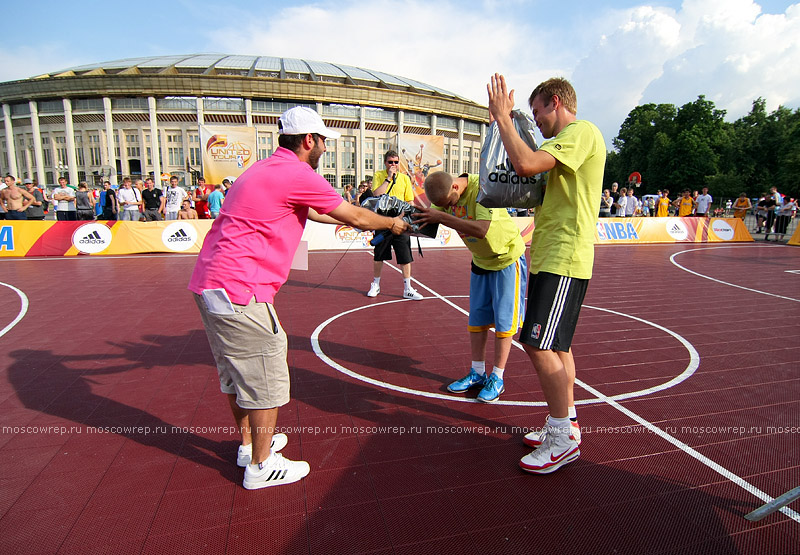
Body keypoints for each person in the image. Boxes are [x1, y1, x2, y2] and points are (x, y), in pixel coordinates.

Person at [189, 106, 410, 490]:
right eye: (323, 140)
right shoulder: (297, 173)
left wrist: (358, 215)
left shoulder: (266, 169)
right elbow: (356, 218)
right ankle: (261, 465)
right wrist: (392, 222)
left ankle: (248, 445)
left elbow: (321, 213)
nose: (325, 147)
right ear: (309, 141)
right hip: (242, 288)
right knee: (264, 374)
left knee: (237, 373)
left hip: (210, 283)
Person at [487, 74, 605, 474]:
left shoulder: (581, 132)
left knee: (536, 344)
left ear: (556, 102)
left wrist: (503, 118)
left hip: (564, 258)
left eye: (537, 113)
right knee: (557, 347)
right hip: (554, 257)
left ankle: (562, 437)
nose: (534, 121)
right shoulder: (563, 146)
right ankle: (565, 421)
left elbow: (524, 163)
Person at [414, 172, 527, 403]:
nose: (447, 208)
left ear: (455, 186)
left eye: (449, 204)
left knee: (504, 322)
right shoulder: (443, 198)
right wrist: (396, 222)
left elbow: (481, 229)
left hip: (506, 258)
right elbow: (428, 221)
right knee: (477, 320)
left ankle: (497, 377)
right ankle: (477, 372)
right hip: (480, 261)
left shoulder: (483, 188)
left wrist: (441, 217)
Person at [365, 150, 424, 301]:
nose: (393, 165)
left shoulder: (404, 179)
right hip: (382, 219)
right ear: (385, 163)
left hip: (401, 219)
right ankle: (376, 284)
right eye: (390, 162)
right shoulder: (379, 175)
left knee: (405, 255)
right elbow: (375, 195)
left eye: (396, 162)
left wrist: (410, 220)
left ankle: (408, 288)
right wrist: (388, 179)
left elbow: (409, 201)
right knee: (379, 254)